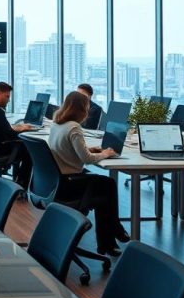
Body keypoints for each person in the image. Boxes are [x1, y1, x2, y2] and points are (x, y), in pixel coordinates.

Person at [47, 90, 129, 255]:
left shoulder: (57, 123)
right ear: (80, 109)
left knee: (106, 187)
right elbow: (87, 159)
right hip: (68, 183)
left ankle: (110, 240)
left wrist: (90, 148)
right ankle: (112, 233)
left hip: (57, 181)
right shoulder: (74, 127)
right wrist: (105, 153)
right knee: (107, 187)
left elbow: (69, 148)